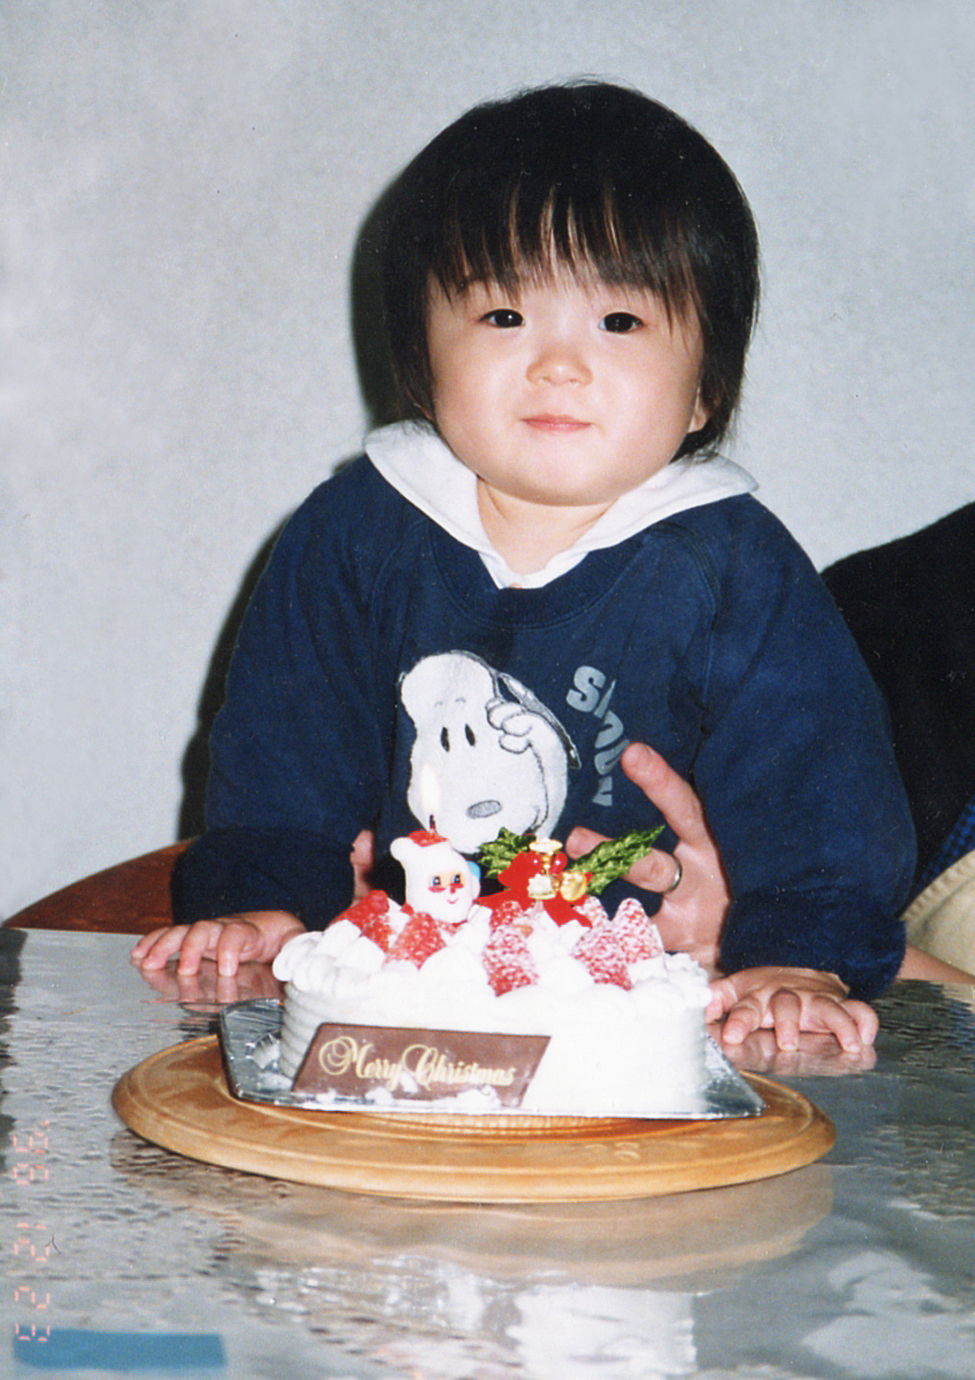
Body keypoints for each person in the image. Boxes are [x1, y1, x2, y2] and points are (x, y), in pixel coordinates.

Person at [133, 81, 917, 1050]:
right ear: (423, 356)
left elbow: (819, 781)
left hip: (644, 1008)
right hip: (405, 997)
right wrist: (263, 904)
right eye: (504, 315)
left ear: (705, 389)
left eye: (618, 323)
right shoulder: (355, 532)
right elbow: (283, 749)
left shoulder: (731, 564)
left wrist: (799, 955)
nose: (557, 364)